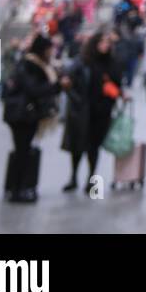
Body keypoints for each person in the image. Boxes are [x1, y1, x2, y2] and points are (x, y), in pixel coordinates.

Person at [60, 27, 121, 193]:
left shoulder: (111, 63)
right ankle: (73, 177)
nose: (105, 46)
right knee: (77, 147)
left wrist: (113, 93)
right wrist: (76, 100)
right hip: (82, 111)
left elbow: (117, 85)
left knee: (94, 148)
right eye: (102, 42)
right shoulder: (82, 61)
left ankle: (91, 179)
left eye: (107, 42)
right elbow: (69, 82)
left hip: (101, 112)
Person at [2, 33, 60, 203]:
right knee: (22, 152)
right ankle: (17, 189)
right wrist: (55, 86)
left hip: (26, 114)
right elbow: (33, 89)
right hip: (22, 115)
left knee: (23, 151)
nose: (51, 52)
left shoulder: (36, 64)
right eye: (49, 49)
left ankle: (17, 187)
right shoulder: (30, 64)